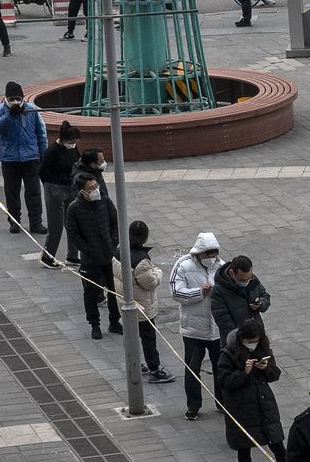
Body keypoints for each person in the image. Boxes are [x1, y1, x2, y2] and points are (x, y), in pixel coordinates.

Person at [217, 318, 299, 462]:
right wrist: (243, 373)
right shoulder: (228, 354)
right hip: (241, 409)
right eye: (250, 341)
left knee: (278, 446)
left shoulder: (263, 349)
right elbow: (224, 382)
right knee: (244, 448)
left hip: (264, 405)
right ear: (242, 339)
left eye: (255, 340)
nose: (253, 344)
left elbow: (274, 374)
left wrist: (266, 368)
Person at [170, 235, 224, 421]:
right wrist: (200, 292)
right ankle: (193, 406)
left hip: (216, 330)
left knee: (221, 367)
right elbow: (176, 293)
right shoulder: (183, 266)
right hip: (193, 330)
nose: (212, 257)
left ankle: (222, 402)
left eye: (214, 253)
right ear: (199, 253)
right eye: (208, 254)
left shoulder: (221, 266)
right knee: (192, 369)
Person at [117, 221, 176, 385]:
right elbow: (149, 282)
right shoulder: (141, 259)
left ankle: (134, 363)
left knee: (130, 336)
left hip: (123, 301)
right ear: (145, 237)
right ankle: (155, 370)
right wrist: (157, 272)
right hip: (142, 305)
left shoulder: (118, 251)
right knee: (148, 338)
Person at [66, 172, 121, 339]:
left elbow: (114, 221)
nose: (95, 190)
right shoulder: (74, 208)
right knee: (91, 293)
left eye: (96, 186)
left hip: (109, 255)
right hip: (90, 259)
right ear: (82, 190)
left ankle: (114, 321)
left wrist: (113, 241)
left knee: (114, 291)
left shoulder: (104, 201)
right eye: (91, 188)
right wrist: (86, 248)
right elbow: (73, 232)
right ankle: (95, 324)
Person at [0, 82, 47, 235]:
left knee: (34, 192)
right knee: (12, 193)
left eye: (18, 99)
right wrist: (10, 115)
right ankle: (14, 222)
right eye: (12, 99)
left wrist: (43, 154)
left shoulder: (31, 110)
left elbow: (41, 133)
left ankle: (36, 222)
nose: (15, 102)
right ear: (6, 98)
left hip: (30, 158)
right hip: (10, 160)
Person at [38, 124, 81, 268]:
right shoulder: (52, 151)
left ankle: (73, 256)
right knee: (56, 225)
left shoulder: (73, 148)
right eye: (71, 142)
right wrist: (50, 185)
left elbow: (77, 161)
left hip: (70, 188)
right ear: (63, 140)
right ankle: (48, 256)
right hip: (54, 188)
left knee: (73, 222)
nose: (73, 144)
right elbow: (42, 171)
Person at [211, 255, 272, 341]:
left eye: (249, 278)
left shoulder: (251, 279)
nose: (247, 282)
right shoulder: (218, 290)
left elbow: (265, 296)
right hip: (237, 340)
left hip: (257, 336)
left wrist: (260, 304)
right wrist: (243, 337)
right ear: (232, 273)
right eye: (243, 280)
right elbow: (223, 320)